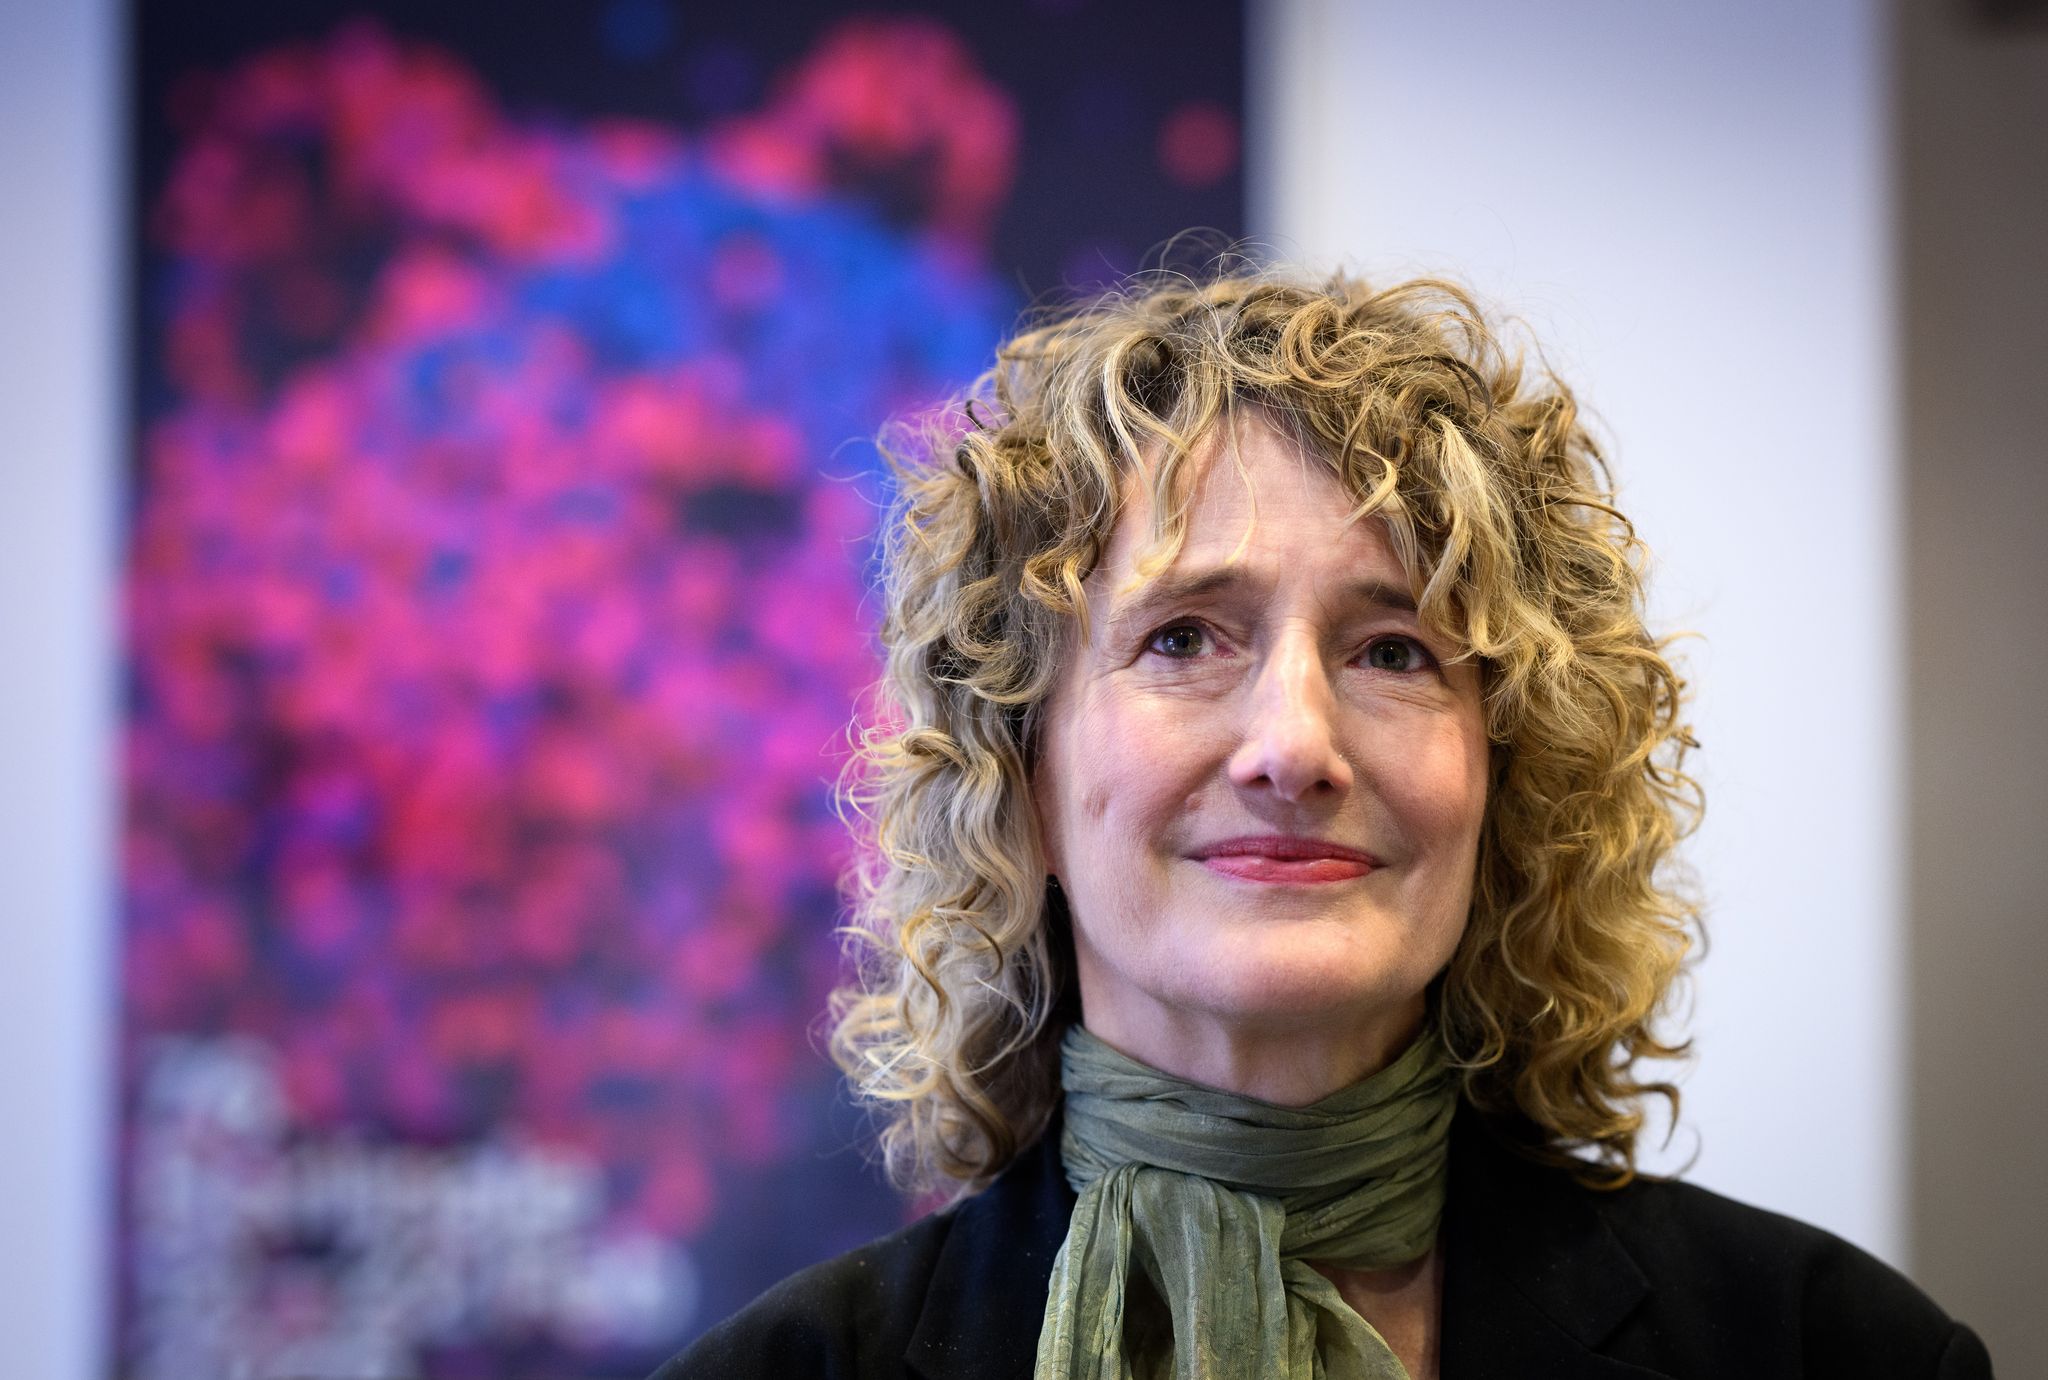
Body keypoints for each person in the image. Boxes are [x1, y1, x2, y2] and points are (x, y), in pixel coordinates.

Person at [651, 269, 1991, 1379]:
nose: (1294, 746)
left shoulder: (1835, 1352)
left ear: (1509, 777)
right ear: (1023, 769)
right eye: (1185, 638)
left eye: (1394, 651)